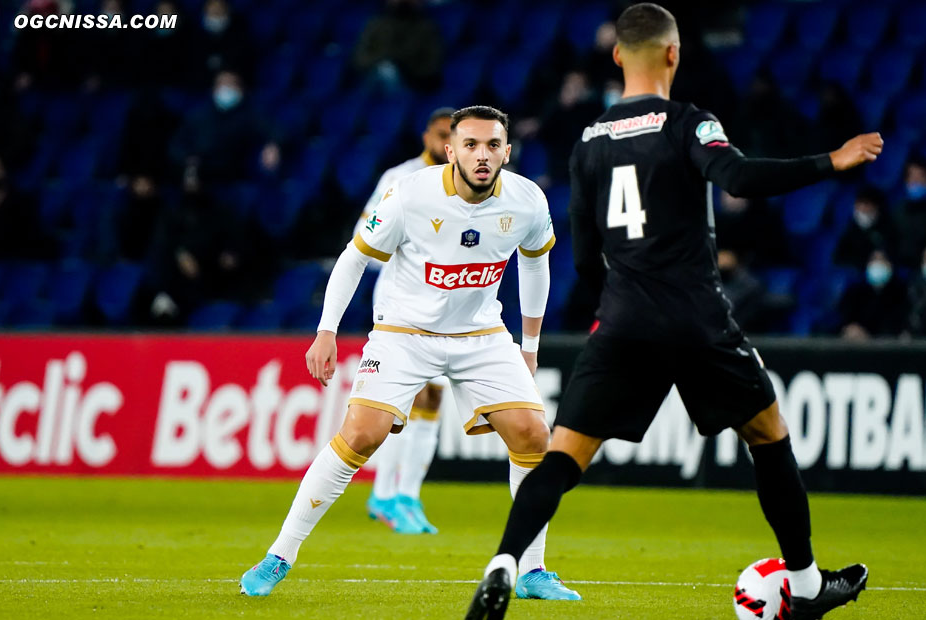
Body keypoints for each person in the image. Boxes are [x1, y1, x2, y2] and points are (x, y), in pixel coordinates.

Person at [466, 5, 879, 620]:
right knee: (768, 436)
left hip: (624, 319)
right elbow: (736, 178)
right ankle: (808, 583)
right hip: (696, 315)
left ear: (615, 57)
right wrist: (830, 161)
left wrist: (622, 299)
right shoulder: (689, 122)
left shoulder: (588, 142)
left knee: (561, 457)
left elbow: (582, 258)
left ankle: (502, 563)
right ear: (674, 55)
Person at [240, 106, 580, 602]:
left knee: (533, 434)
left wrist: (529, 346)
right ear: (450, 150)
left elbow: (536, 265)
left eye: (492, 146)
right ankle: (279, 555)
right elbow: (354, 257)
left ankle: (532, 570)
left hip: (481, 334)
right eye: (470, 145)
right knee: (360, 435)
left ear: (507, 151)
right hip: (405, 333)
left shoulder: (527, 200)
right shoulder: (410, 195)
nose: (481, 155)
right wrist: (326, 331)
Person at [358, 107, 455, 535]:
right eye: (440, 135)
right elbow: (366, 235)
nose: (445, 145)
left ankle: (408, 495)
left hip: (443, 303)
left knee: (432, 400)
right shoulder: (399, 179)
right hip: (400, 299)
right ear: (426, 136)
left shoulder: (465, 185)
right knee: (403, 398)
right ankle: (383, 493)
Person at [838, 250, 908, 340]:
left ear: (890, 265)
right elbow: (846, 321)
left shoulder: (901, 292)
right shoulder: (855, 292)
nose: (877, 265)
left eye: (882, 260)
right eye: (874, 260)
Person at [833, 186, 897, 271]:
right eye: (859, 205)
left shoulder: (888, 230)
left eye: (866, 205)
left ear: (876, 207)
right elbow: (838, 259)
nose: (862, 210)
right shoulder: (849, 231)